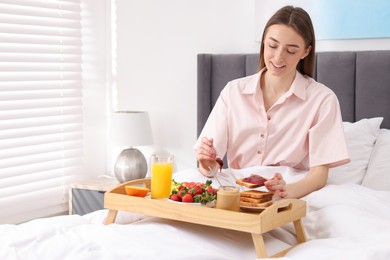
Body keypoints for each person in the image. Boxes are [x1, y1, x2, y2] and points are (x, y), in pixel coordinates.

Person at [194, 6, 350, 199]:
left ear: (305, 52)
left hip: (294, 190)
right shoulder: (233, 92)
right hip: (236, 190)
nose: (278, 57)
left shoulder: (323, 100)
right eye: (273, 46)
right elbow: (211, 168)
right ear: (263, 43)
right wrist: (205, 163)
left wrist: (286, 191)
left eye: (291, 51)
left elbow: (318, 176)